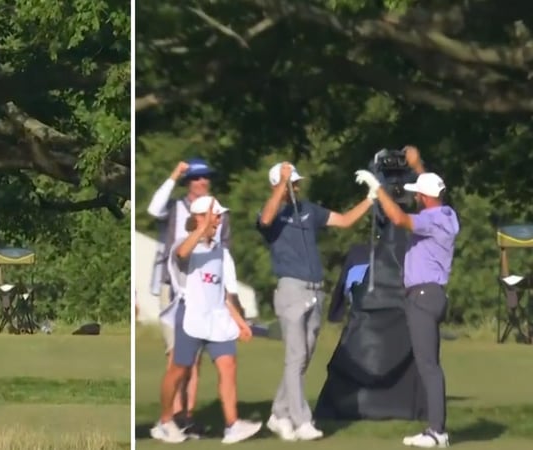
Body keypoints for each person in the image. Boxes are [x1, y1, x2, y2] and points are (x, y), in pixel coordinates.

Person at [257, 162, 374, 441]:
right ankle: (301, 420)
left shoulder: (309, 210)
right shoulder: (272, 214)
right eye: (291, 183)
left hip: (315, 291)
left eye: (296, 182)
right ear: (279, 186)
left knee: (304, 357)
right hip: (291, 290)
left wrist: (371, 199)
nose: (297, 187)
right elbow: (265, 219)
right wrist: (281, 185)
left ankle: (279, 413)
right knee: (296, 357)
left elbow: (344, 221)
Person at [354, 147, 459, 448]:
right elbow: (430, 190)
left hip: (423, 295)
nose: (414, 196)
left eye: (418, 194)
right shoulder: (447, 214)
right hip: (433, 294)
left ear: (425, 198)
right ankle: (436, 428)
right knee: (429, 363)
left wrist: (378, 189)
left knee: (428, 364)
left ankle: (437, 431)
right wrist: (417, 165)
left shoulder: (430, 219)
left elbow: (399, 218)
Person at [150, 195, 262, 444]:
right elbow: (180, 254)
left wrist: (240, 323)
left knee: (228, 365)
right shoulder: (185, 243)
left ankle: (232, 425)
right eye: (215, 215)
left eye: (219, 215)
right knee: (179, 370)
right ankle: (165, 421)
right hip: (190, 316)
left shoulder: (222, 253)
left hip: (217, 319)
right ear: (200, 217)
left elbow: (223, 294)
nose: (219, 220)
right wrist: (200, 228)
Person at [146, 158, 242, 436]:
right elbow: (153, 209)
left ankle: (186, 415)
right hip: (173, 285)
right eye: (196, 178)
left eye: (205, 178)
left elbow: (223, 254)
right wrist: (174, 174)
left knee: (196, 357)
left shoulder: (219, 214)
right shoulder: (176, 207)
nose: (201, 183)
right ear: (188, 182)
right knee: (177, 356)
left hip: (205, 290)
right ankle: (171, 417)